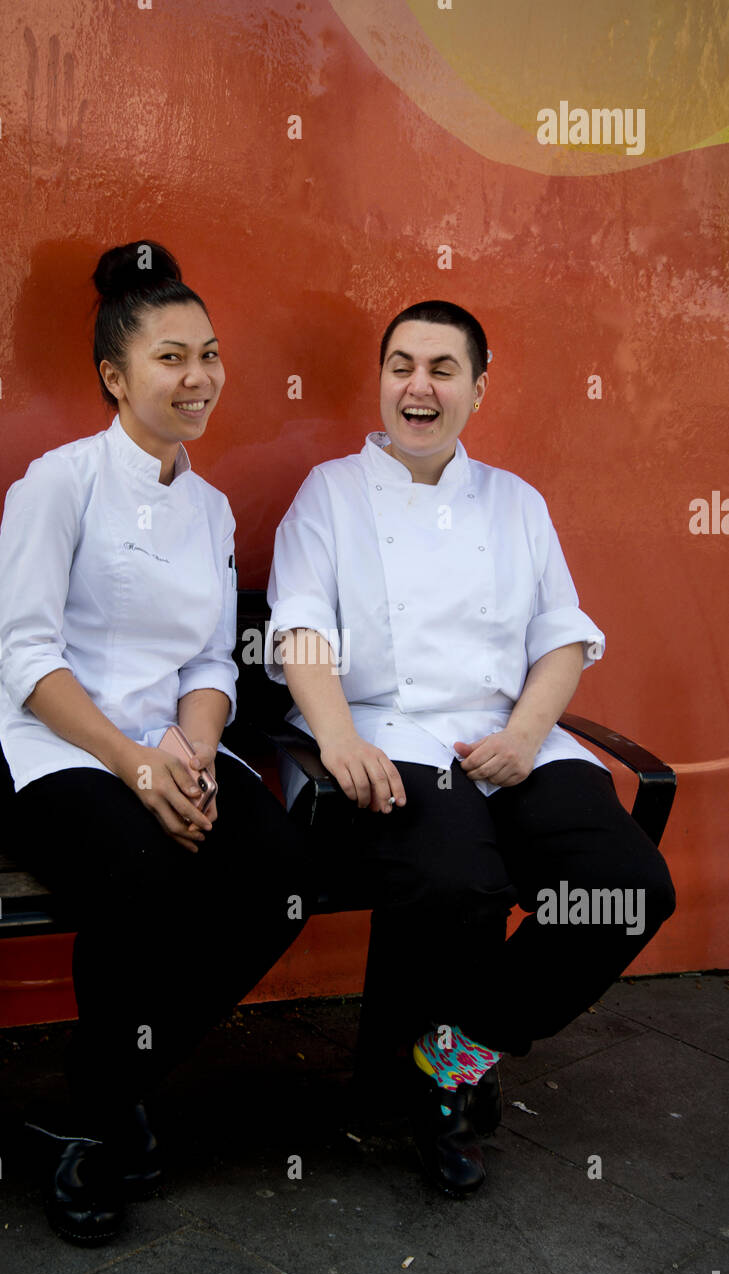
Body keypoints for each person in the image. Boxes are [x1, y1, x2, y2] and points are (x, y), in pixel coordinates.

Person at [265, 299, 675, 1197]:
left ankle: (448, 1054)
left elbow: (561, 636)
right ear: (380, 383)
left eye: (442, 369)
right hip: (387, 728)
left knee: (626, 889)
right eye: (401, 365)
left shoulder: (515, 501)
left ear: (476, 390)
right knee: (456, 877)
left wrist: (528, 735)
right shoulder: (330, 493)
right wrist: (333, 734)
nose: (418, 386)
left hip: (509, 735)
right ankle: (431, 1099)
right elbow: (297, 625)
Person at [0, 241, 314, 1244]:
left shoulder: (207, 509)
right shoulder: (57, 483)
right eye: (171, 357)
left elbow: (212, 660)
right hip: (57, 751)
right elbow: (26, 655)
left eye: (208, 354)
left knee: (279, 878)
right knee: (144, 873)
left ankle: (105, 1085)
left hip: (168, 748)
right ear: (114, 377)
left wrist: (193, 750)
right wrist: (131, 763)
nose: (198, 376)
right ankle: (99, 1126)